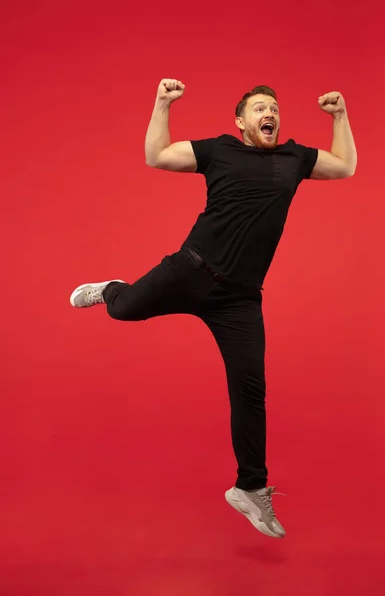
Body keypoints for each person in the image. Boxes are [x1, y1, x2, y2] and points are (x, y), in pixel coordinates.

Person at [70, 79, 357, 538]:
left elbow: (344, 166)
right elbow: (156, 155)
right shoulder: (220, 150)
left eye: (275, 109)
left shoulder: (295, 158)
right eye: (261, 108)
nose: (271, 113)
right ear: (241, 122)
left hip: (240, 298)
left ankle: (250, 488)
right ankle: (111, 289)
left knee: (250, 391)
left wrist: (339, 116)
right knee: (123, 311)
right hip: (191, 269)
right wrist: (162, 103)